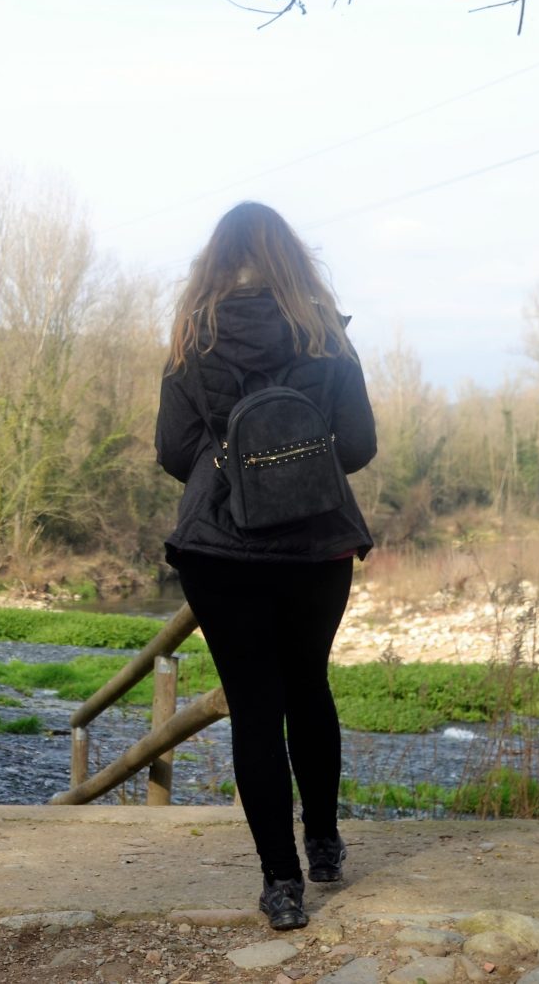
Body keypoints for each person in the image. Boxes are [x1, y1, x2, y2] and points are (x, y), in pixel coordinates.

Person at [153, 201, 378, 932]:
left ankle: (281, 885)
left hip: (221, 550)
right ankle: (325, 840)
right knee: (308, 685)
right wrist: (295, 474)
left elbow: (171, 449)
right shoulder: (324, 331)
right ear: (292, 257)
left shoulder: (194, 336)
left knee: (255, 707)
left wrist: (233, 477)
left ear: (214, 261)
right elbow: (360, 445)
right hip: (316, 546)